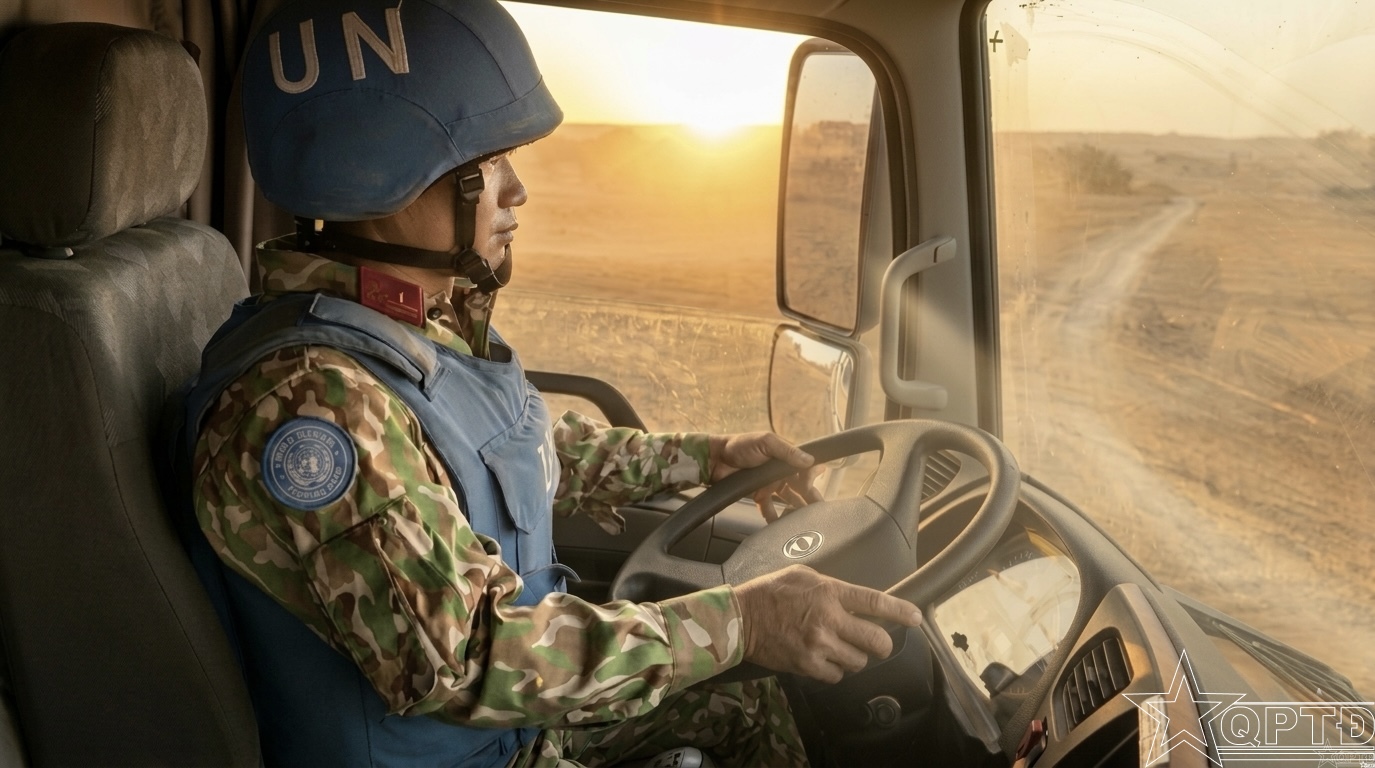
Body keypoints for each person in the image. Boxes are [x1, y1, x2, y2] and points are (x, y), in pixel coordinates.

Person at [175, 1, 922, 766]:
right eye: (489, 164)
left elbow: (492, 451)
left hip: (511, 732)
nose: (517, 192)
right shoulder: (309, 403)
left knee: (749, 698)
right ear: (387, 178)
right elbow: (467, 658)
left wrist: (704, 457)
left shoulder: (400, 329)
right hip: (476, 745)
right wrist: (742, 623)